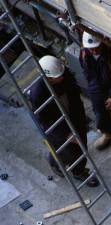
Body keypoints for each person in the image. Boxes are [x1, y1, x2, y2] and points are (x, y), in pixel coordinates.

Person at [28, 55, 99, 187]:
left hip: (74, 117)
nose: (61, 78)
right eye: (56, 78)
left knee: (81, 146)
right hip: (58, 127)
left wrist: (81, 118)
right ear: (47, 77)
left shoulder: (63, 74)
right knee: (68, 151)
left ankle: (78, 171)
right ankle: (56, 163)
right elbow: (45, 121)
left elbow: (74, 94)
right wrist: (65, 135)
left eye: (61, 75)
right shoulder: (37, 93)